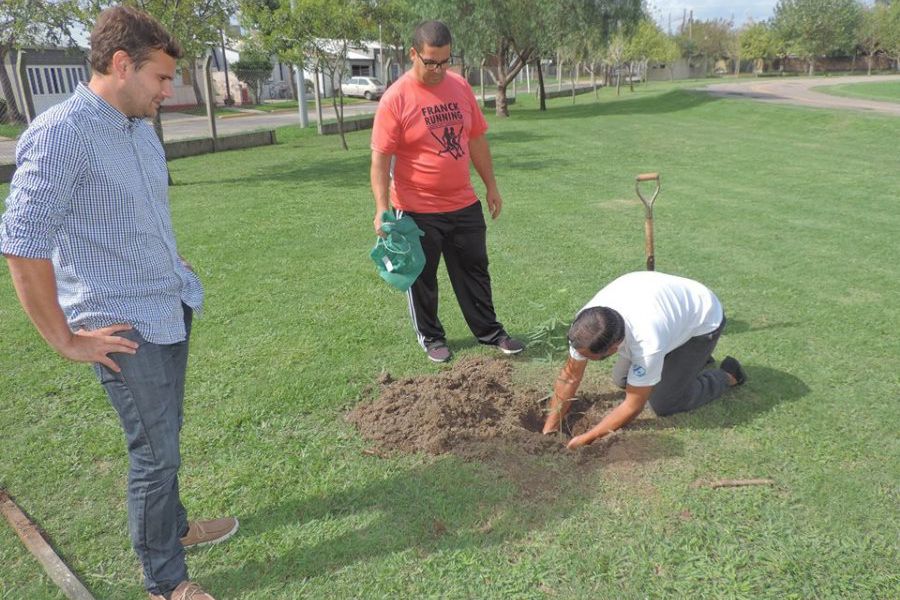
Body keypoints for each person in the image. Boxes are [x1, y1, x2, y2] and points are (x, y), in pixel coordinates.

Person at [1, 7, 235, 599]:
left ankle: (174, 529)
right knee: (155, 454)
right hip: (121, 328)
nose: (168, 90)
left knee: (167, 435)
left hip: (167, 306)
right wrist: (65, 339)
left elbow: (133, 215)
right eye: (160, 78)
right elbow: (22, 246)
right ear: (122, 64)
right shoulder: (61, 135)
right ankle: (165, 582)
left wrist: (169, 260)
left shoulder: (136, 130)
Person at [370, 20, 524, 363]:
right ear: (413, 54)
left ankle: (490, 332)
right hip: (415, 207)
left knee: (475, 270)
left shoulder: (460, 87)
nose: (438, 69)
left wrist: (491, 186)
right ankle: (432, 338)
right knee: (421, 277)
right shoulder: (396, 99)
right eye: (430, 62)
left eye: (445, 61)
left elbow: (476, 139)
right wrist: (382, 208)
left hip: (463, 202)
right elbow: (380, 160)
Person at [542, 271, 746, 449]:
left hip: (703, 319)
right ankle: (690, 362)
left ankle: (726, 375)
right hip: (667, 312)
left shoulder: (647, 343)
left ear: (614, 347)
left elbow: (632, 406)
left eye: (591, 358)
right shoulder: (586, 326)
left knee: (664, 402)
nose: (581, 358)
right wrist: (550, 428)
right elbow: (570, 377)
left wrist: (588, 437)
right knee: (622, 379)